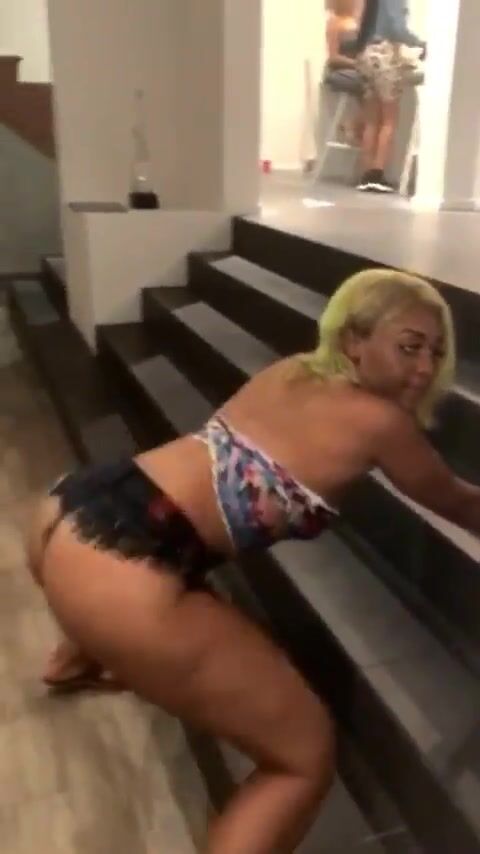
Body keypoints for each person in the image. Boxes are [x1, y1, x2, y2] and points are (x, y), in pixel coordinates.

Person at [28, 268, 480, 854]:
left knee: (173, 562)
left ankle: (74, 658)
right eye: (409, 347)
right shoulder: (383, 422)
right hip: (119, 564)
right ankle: (94, 641)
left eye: (436, 353)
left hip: (72, 506)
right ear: (353, 340)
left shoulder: (292, 370)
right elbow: (461, 503)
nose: (424, 369)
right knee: (302, 758)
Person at [355, 0, 426, 192]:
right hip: (385, 56)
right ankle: (377, 174)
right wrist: (421, 44)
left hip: (367, 54)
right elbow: (397, 29)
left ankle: (365, 175)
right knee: (389, 121)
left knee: (371, 121)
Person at [324, 0, 364, 145]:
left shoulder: (358, 22)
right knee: (370, 83)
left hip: (360, 69)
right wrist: (356, 64)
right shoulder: (334, 23)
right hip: (340, 71)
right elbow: (333, 58)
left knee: (377, 84)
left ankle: (355, 125)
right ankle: (352, 125)